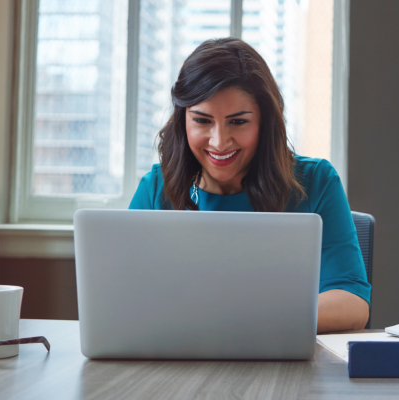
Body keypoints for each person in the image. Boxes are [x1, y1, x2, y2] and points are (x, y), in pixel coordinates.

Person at [129, 38, 370, 333]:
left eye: (238, 122)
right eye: (202, 121)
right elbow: (124, 298)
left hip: (285, 369)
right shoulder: (156, 188)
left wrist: (241, 320)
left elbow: (353, 304)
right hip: (182, 364)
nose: (219, 141)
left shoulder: (317, 182)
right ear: (183, 121)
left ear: (264, 123)